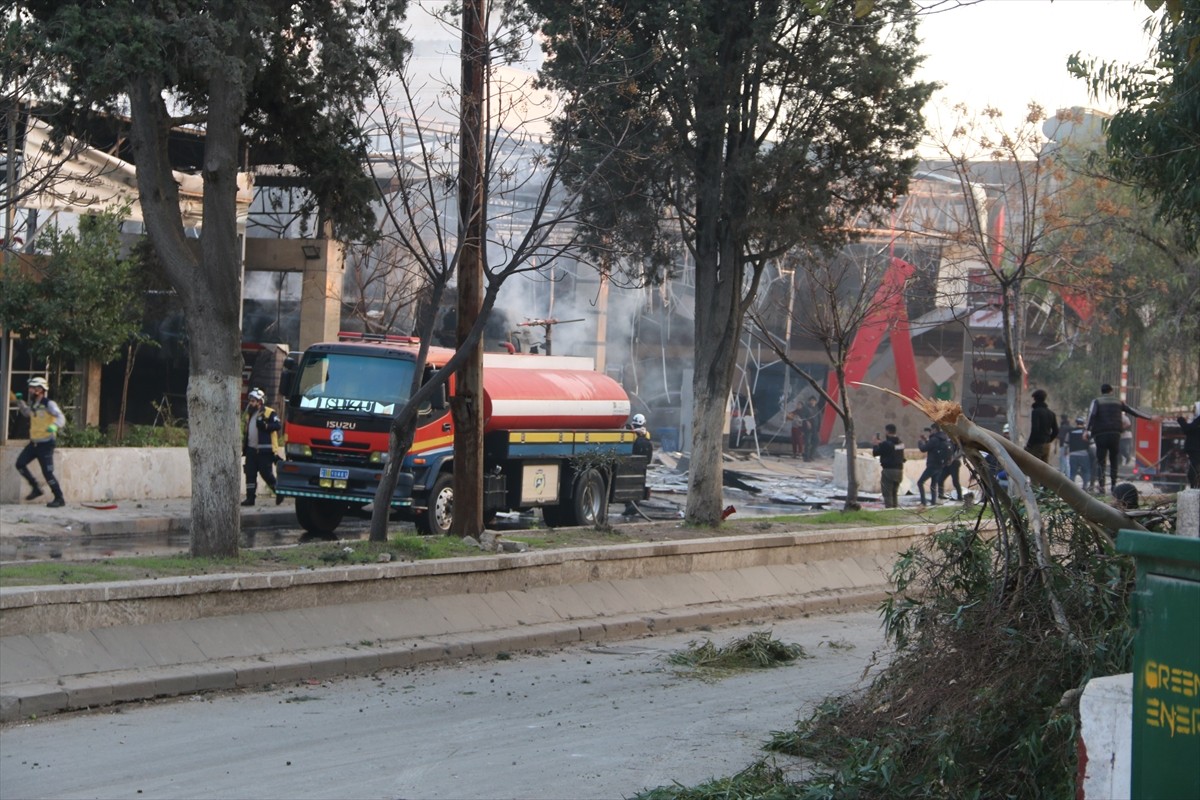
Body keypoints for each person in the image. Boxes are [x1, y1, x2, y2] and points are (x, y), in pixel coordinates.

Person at [10, 376, 67, 508]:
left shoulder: (49, 404)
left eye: (32, 388)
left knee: (47, 472)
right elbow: (26, 413)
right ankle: (36, 488)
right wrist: (19, 401)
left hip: (46, 444)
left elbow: (61, 417)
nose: (30, 391)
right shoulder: (35, 405)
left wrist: (54, 426)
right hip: (34, 443)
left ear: (40, 390)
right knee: (20, 464)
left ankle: (59, 498)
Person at [1085, 383, 1152, 495]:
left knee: (1101, 461)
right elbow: (1132, 411)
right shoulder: (1118, 402)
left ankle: (1101, 486)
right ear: (1111, 391)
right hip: (1115, 434)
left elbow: (1092, 415)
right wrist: (1149, 417)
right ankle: (1113, 485)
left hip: (1100, 434)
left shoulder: (1097, 401)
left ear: (1102, 391)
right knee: (1114, 459)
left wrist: (1086, 431)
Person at [242, 387, 282, 506]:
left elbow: (277, 425)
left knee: (266, 474)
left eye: (253, 401)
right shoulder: (250, 415)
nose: (251, 403)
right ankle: (250, 498)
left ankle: (279, 492)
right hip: (251, 450)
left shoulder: (269, 412)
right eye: (250, 401)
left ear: (260, 401)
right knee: (250, 474)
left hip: (264, 451)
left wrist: (264, 425)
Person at [624, 413, 653, 515]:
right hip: (643, 464)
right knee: (639, 483)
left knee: (628, 484)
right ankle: (636, 504)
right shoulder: (646, 434)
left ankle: (629, 506)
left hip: (631, 463)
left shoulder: (631, 433)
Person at [872, 424, 905, 508]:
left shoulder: (886, 444)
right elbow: (894, 450)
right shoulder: (900, 443)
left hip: (888, 470)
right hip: (899, 470)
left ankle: (889, 508)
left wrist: (875, 444)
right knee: (894, 492)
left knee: (887, 493)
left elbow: (875, 453)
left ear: (887, 431)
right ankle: (895, 508)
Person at [915, 425, 950, 505]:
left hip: (932, 465)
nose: (930, 431)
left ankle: (923, 502)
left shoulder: (934, 439)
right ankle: (933, 501)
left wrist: (920, 442)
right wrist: (927, 440)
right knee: (933, 484)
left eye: (931, 430)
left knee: (920, 482)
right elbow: (933, 447)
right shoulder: (943, 438)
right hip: (940, 465)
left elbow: (923, 449)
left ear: (935, 429)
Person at [1023, 389, 1058, 463]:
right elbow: (1056, 431)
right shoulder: (1051, 413)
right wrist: (1048, 440)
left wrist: (1029, 444)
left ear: (1035, 399)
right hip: (1047, 445)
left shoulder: (1036, 412)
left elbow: (1035, 429)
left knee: (1033, 466)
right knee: (1044, 468)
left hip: (1037, 445)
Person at [1178, 401, 1200, 489]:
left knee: (1193, 472)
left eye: (1195, 409)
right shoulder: (1197, 420)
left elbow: (1187, 429)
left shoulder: (1198, 420)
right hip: (1195, 450)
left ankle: (1194, 488)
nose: (1193, 411)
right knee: (1194, 471)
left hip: (1196, 449)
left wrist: (1180, 420)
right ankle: (1194, 487)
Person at [1066, 416, 1092, 490]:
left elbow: (1066, 443)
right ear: (1083, 423)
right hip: (1084, 455)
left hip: (1073, 455)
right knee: (1086, 471)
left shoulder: (1070, 432)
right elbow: (1091, 443)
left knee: (1072, 472)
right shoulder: (1086, 432)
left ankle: (1071, 488)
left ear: (1076, 423)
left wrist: (1065, 452)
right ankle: (1085, 486)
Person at [801, 396, 822, 461]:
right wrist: (807, 422)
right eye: (811, 400)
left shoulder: (816, 408)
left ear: (815, 402)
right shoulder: (806, 408)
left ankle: (811, 455)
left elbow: (819, 418)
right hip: (808, 429)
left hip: (815, 429)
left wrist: (819, 428)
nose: (812, 402)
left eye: (814, 401)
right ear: (809, 401)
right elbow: (803, 416)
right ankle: (806, 457)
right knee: (807, 443)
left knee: (816, 441)